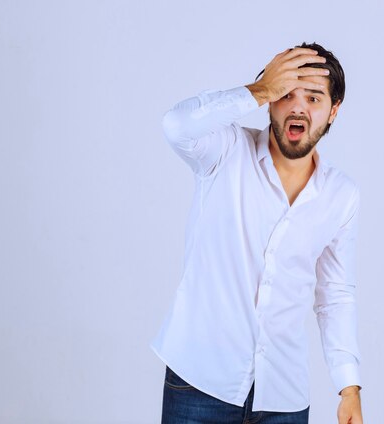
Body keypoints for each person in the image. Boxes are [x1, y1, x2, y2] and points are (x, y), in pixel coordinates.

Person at [151, 42, 363, 424]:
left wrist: (348, 387)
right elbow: (176, 125)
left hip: (283, 396)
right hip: (200, 383)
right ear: (269, 101)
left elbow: (335, 294)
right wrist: (260, 88)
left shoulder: (341, 195)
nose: (298, 107)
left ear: (333, 111)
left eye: (314, 98)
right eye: (286, 93)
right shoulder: (225, 150)